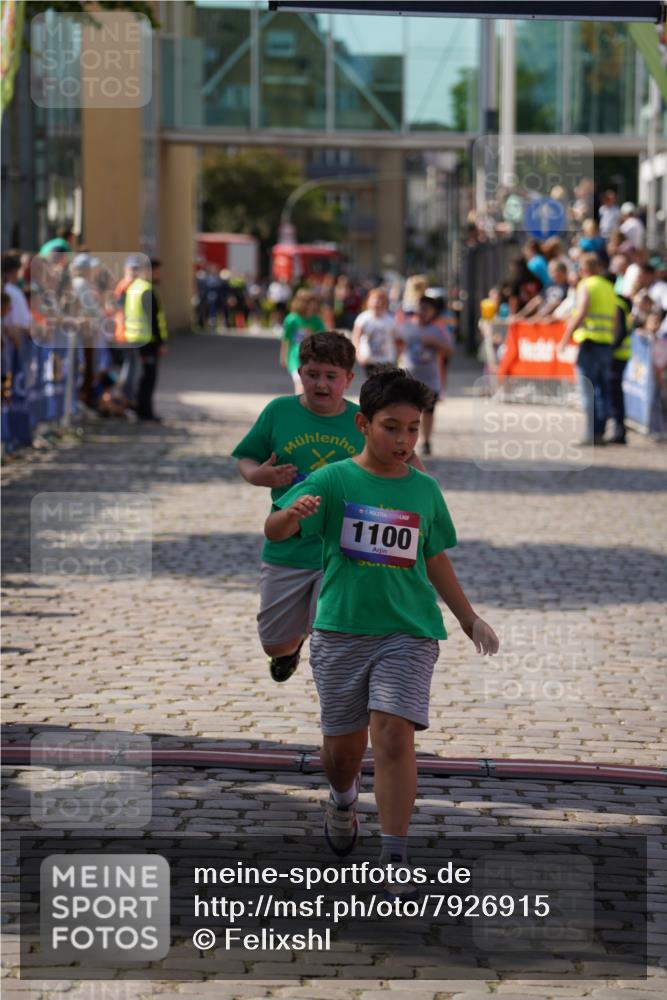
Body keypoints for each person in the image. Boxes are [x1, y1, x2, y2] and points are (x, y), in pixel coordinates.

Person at [265, 368, 498, 884]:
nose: (405, 440)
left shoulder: (425, 490)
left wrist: (468, 617)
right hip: (342, 630)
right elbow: (275, 529)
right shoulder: (332, 480)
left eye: (414, 429)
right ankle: (343, 800)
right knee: (343, 753)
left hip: (409, 630)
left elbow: (433, 557)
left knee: (393, 734)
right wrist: (292, 512)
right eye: (393, 427)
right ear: (363, 424)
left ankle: (395, 853)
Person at [557, 253, 617, 446]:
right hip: (606, 343)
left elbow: (581, 311)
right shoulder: (608, 286)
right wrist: (612, 339)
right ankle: (599, 432)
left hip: (590, 343)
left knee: (587, 390)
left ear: (583, 269)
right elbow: (616, 317)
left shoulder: (586, 285)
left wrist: (565, 339)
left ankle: (589, 434)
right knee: (601, 390)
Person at [397, 295, 454, 456]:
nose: (422, 312)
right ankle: (406, 441)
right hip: (408, 377)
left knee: (428, 411)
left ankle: (426, 441)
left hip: (430, 379)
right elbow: (396, 342)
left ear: (433, 312)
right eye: (420, 307)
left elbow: (450, 351)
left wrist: (435, 343)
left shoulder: (437, 329)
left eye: (427, 309)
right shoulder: (406, 326)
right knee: (406, 411)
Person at [123, 258, 168, 422]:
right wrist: (161, 343)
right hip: (147, 341)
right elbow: (154, 319)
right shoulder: (147, 290)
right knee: (148, 378)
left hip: (133, 338)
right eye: (156, 271)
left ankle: (140, 409)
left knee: (139, 377)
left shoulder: (134, 288)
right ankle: (145, 412)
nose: (159, 275)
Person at [281, 289, 325, 393]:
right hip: (295, 357)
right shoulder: (292, 319)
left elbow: (323, 338)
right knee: (299, 382)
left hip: (312, 357)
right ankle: (298, 406)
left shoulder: (316, 320)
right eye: (307, 303)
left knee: (308, 385)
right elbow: (285, 339)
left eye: (312, 303)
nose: (310, 306)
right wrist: (283, 357)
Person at [352, 288, 398, 377]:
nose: (377, 303)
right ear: (368, 301)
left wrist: (397, 355)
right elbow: (356, 337)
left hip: (387, 360)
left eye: (380, 300)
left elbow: (397, 340)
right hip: (369, 360)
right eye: (374, 299)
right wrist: (358, 354)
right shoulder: (363, 318)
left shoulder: (391, 319)